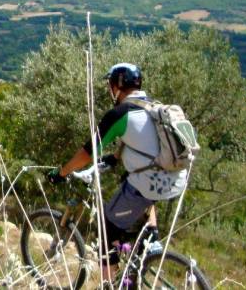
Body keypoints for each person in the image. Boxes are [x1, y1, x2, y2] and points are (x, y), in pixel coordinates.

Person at [47, 62, 187, 273]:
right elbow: (144, 143)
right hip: (176, 179)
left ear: (116, 86)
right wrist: (114, 158)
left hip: (150, 183)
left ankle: (110, 283)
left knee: (105, 228)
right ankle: (151, 243)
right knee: (133, 184)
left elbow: (87, 152)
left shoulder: (120, 113)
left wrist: (61, 172)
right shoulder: (152, 108)